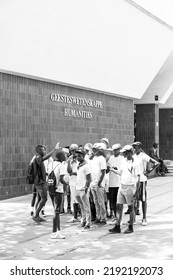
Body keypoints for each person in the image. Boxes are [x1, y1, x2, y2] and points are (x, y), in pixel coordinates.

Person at [109, 145, 140, 234]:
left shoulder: (135, 163)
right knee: (118, 205)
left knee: (130, 207)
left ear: (130, 152)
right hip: (122, 185)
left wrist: (137, 191)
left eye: (125, 152)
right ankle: (117, 226)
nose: (124, 153)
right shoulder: (123, 161)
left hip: (130, 186)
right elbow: (120, 172)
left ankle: (131, 226)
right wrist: (112, 170)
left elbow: (138, 177)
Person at [32, 142, 60, 223]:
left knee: (41, 198)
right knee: (44, 198)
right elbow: (45, 158)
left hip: (41, 181)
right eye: (43, 150)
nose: (45, 151)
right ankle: (36, 215)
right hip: (40, 182)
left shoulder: (38, 158)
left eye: (45, 150)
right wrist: (54, 150)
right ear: (39, 151)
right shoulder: (38, 158)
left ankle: (37, 215)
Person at [132, 141, 160, 226]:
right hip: (134, 180)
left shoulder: (143, 156)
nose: (134, 148)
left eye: (136, 146)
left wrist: (148, 171)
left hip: (142, 180)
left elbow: (156, 163)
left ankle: (144, 218)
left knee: (143, 199)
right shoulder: (133, 156)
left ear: (140, 147)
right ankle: (133, 218)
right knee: (133, 199)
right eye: (133, 146)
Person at [51, 150, 68, 239]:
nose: (66, 156)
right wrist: (67, 183)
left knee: (55, 210)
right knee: (57, 211)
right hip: (58, 189)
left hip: (51, 189)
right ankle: (55, 233)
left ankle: (56, 232)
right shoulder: (62, 166)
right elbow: (61, 180)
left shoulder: (51, 164)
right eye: (65, 155)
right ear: (61, 157)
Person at [90, 143, 107, 225]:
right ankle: (98, 216)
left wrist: (100, 182)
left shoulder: (101, 158)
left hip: (99, 183)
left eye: (95, 149)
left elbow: (103, 171)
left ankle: (103, 218)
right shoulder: (94, 158)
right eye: (93, 149)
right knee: (95, 201)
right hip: (93, 183)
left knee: (101, 202)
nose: (94, 151)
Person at [75, 149, 91, 229]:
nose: (77, 157)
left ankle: (88, 223)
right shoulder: (79, 165)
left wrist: (86, 187)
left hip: (83, 188)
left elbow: (89, 178)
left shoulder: (86, 166)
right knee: (81, 206)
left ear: (83, 156)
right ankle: (83, 220)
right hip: (78, 188)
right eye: (77, 156)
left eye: (79, 156)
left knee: (86, 206)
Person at [107, 144, 123, 221]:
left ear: (119, 150)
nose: (114, 151)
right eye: (113, 150)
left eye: (116, 150)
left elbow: (121, 171)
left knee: (119, 202)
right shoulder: (110, 158)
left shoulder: (122, 158)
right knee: (112, 200)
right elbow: (107, 170)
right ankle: (115, 216)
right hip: (111, 182)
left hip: (119, 182)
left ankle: (119, 217)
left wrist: (114, 169)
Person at [67, 144, 80, 222]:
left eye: (75, 150)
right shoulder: (70, 159)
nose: (73, 152)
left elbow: (81, 171)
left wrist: (74, 173)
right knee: (74, 199)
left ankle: (82, 215)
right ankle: (75, 216)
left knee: (80, 199)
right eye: (72, 151)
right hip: (72, 181)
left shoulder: (80, 158)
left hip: (79, 181)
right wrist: (69, 162)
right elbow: (69, 171)